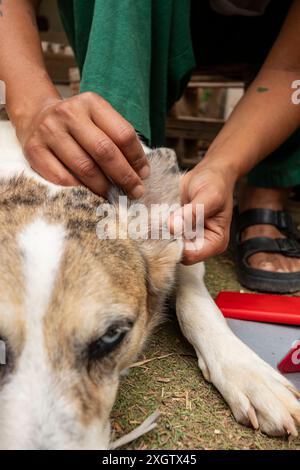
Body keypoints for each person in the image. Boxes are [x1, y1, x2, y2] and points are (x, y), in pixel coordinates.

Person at [0, 0, 299, 292]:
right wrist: (32, 103)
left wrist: (222, 167)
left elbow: (290, 71)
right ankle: (116, 172)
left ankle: (267, 187)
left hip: (272, 37)